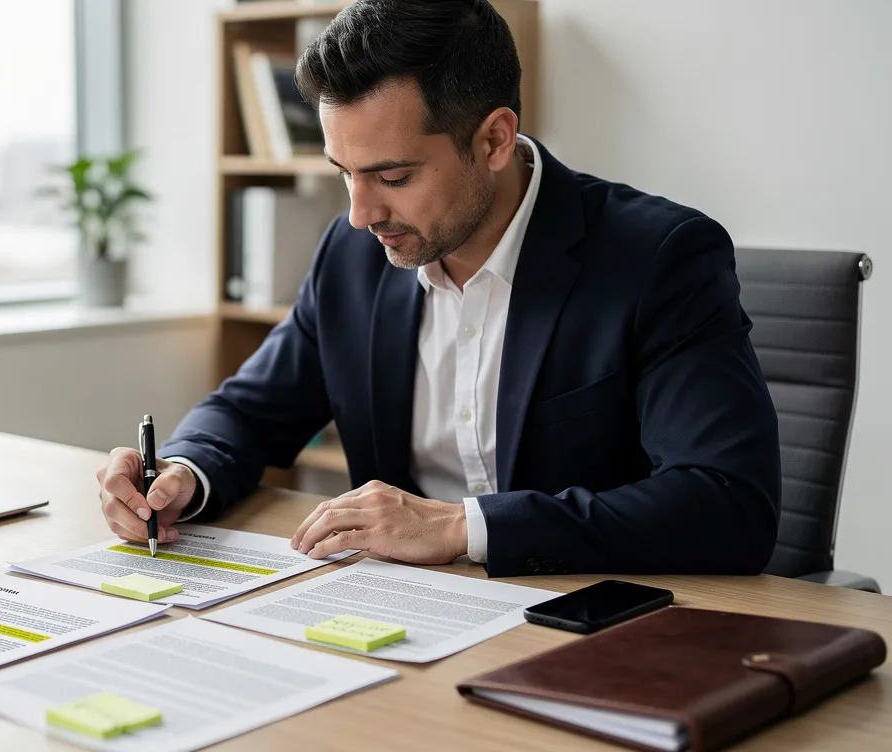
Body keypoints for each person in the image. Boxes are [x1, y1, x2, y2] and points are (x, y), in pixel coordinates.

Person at [95, 0, 781, 577]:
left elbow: (727, 504)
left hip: (587, 622)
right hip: (408, 623)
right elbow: (247, 413)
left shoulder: (657, 259)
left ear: (494, 140)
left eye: (392, 178)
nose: (362, 215)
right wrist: (183, 471)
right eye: (345, 173)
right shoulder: (351, 254)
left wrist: (461, 528)